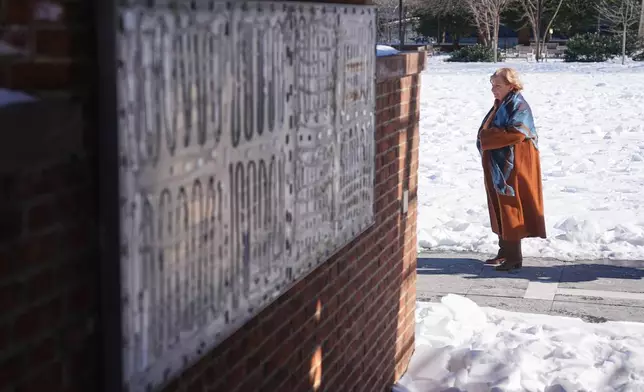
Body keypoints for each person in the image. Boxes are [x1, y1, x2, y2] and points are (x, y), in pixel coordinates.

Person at [476, 68, 546, 271]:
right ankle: (504, 250)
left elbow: (516, 133)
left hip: (515, 165)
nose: (493, 90)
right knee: (499, 204)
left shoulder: (518, 104)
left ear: (511, 85)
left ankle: (514, 257)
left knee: (510, 205)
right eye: (492, 85)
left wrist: (486, 138)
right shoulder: (501, 103)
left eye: (497, 85)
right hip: (499, 163)